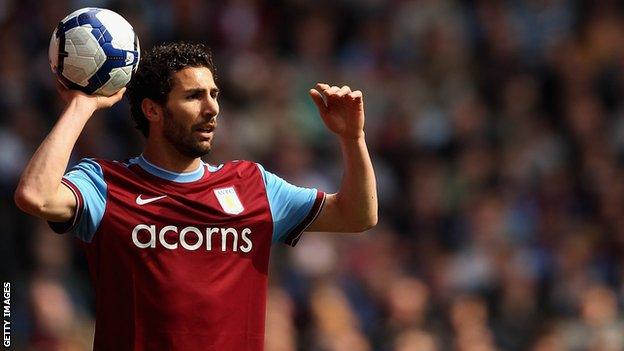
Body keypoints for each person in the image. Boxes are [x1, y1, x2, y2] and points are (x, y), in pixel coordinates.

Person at [14, 42, 377, 350]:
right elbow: (36, 195)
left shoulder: (253, 184)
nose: (212, 108)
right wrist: (83, 104)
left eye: (214, 95)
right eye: (193, 96)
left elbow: (357, 216)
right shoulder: (105, 184)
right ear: (152, 110)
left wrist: (352, 138)